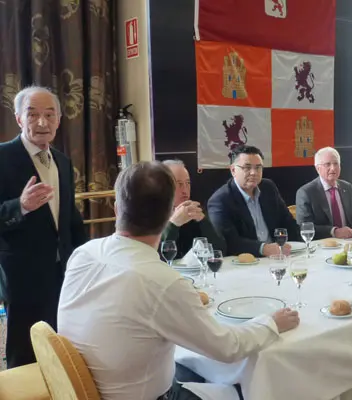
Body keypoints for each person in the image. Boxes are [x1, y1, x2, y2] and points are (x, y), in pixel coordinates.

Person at [57, 162, 299, 400]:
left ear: (116, 209)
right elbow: (228, 348)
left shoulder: (83, 254)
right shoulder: (162, 281)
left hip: (81, 388)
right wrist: (271, 323)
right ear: (167, 215)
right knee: (239, 389)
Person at [0, 86, 86, 368]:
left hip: (62, 271)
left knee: (62, 343)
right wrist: (21, 206)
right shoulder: (3, 157)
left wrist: (84, 259)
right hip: (21, 273)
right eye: (33, 114)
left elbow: (70, 218)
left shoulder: (62, 161)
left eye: (50, 115)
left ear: (59, 120)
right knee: (24, 350)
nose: (42, 122)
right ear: (19, 119)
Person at [207, 145, 300, 257]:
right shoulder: (220, 200)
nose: (253, 173)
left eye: (258, 168)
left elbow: (288, 223)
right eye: (247, 168)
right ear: (233, 170)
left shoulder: (268, 188)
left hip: (278, 256)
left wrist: (306, 240)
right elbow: (229, 242)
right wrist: (263, 249)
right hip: (247, 260)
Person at [295, 147, 352, 240]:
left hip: (350, 241)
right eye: (327, 164)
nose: (333, 168)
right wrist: (334, 232)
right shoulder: (306, 193)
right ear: (318, 168)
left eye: (336, 163)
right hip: (323, 244)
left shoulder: (347, 187)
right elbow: (304, 227)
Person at [161, 160, 225, 258]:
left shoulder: (194, 211)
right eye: (179, 184)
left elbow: (219, 251)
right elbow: (155, 256)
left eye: (188, 183)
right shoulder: (150, 215)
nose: (185, 190)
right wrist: (173, 224)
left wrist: (203, 222)